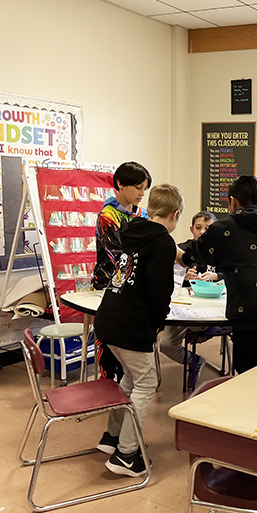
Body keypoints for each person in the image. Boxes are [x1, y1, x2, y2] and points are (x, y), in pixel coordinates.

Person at [94, 184, 183, 477]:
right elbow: (160, 292)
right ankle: (127, 454)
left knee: (131, 378)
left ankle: (112, 437)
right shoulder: (163, 243)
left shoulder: (131, 232)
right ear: (175, 214)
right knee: (147, 382)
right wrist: (157, 324)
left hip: (109, 318)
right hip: (131, 324)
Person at [181, 176, 257, 373]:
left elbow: (190, 256)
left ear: (232, 202)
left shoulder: (224, 228)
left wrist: (167, 246)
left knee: (249, 377)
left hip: (251, 312)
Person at [92, 161, 151, 382]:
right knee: (109, 348)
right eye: (137, 187)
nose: (142, 193)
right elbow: (115, 257)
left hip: (134, 287)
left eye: (144, 188)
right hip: (108, 287)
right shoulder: (108, 216)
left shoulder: (142, 215)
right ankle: (110, 395)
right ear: (120, 184)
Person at [159, 210, 219, 377]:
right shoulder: (181, 250)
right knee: (166, 345)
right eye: (199, 227)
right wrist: (181, 275)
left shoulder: (222, 252)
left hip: (212, 310)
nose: (202, 232)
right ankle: (195, 360)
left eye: (208, 228)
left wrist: (216, 276)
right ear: (192, 229)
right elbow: (164, 274)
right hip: (184, 310)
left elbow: (232, 275)